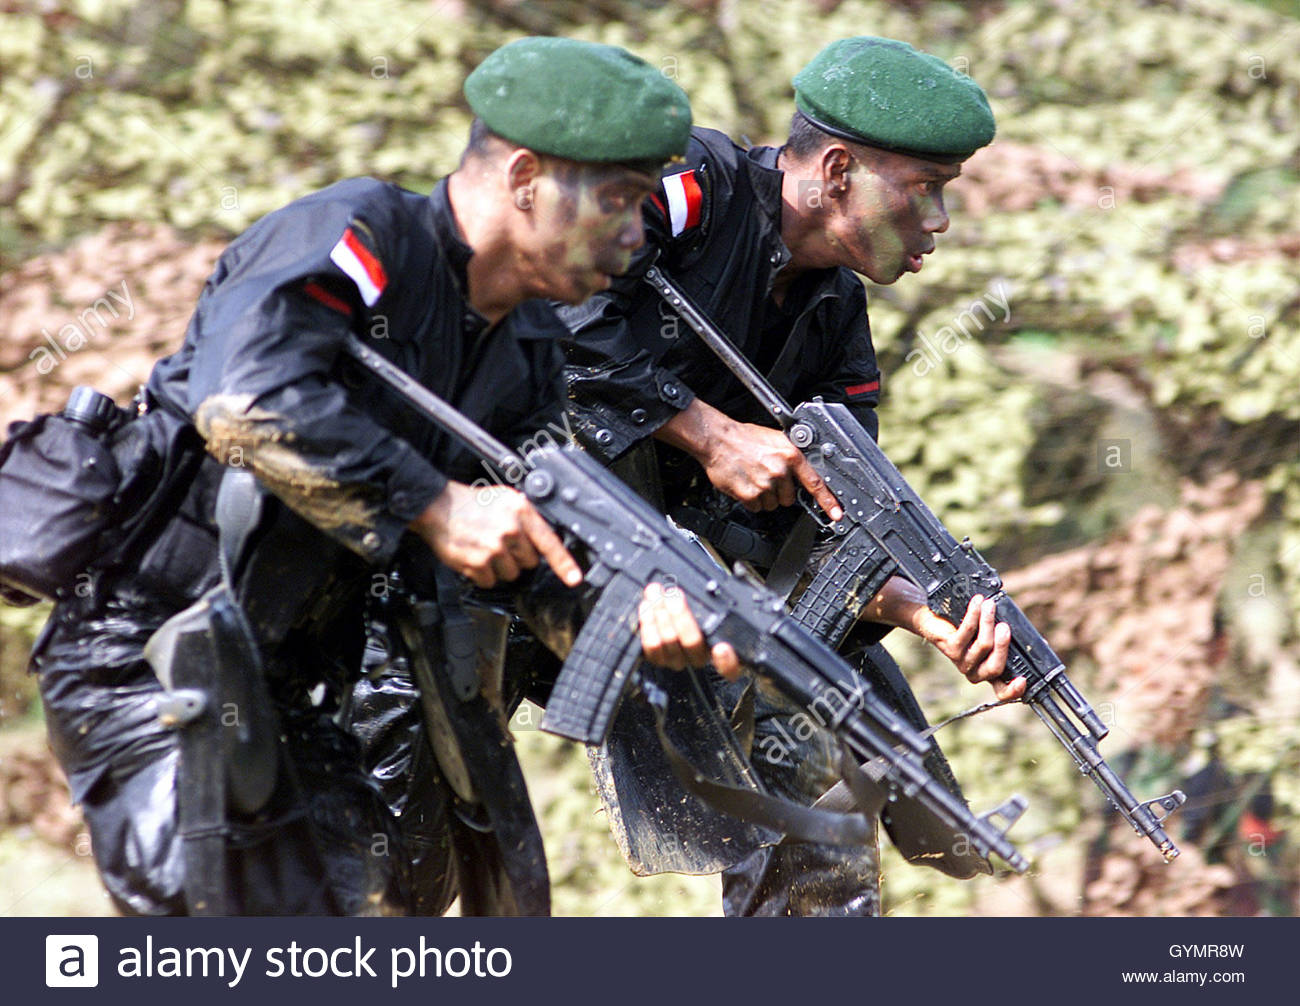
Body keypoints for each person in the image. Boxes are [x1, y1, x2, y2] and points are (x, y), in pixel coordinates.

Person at [29, 36, 721, 916]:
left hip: (298, 681)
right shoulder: (361, 236)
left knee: (377, 917)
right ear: (523, 179)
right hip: (152, 651)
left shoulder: (530, 343)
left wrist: (636, 616)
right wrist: (436, 505)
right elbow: (242, 401)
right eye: (619, 201)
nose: (636, 236)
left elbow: (533, 541)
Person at [557, 36, 1025, 915]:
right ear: (839, 169)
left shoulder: (835, 316)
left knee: (815, 766)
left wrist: (921, 612)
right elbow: (564, 297)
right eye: (925, 189)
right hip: (494, 526)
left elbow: (824, 528)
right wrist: (706, 434)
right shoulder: (694, 187)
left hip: (658, 585)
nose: (940, 224)